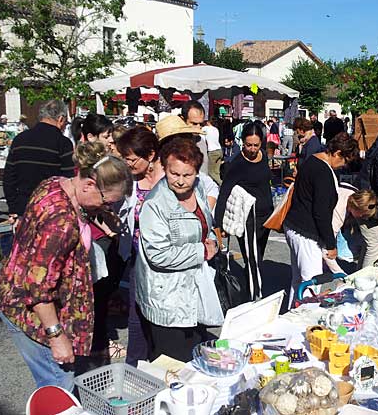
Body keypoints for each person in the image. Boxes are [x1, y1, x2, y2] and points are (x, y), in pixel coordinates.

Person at [0, 143, 132, 390]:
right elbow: (38, 288)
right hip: (30, 313)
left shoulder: (56, 183)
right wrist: (56, 337)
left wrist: (98, 214)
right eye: (105, 201)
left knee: (58, 382)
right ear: (89, 184)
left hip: (15, 291)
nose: (105, 207)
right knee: (59, 384)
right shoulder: (61, 224)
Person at [136, 137, 221, 362]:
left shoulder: (199, 187)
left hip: (196, 289)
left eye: (187, 175)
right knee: (171, 364)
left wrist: (212, 240)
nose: (181, 181)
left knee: (195, 359)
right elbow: (158, 254)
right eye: (174, 174)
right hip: (168, 298)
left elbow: (206, 224)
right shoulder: (155, 205)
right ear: (164, 168)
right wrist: (201, 251)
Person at [284, 132, 359, 306]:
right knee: (311, 283)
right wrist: (331, 245)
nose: (343, 166)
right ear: (338, 153)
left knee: (298, 281)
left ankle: (292, 313)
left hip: (295, 226)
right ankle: (306, 321)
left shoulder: (312, 160)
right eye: (344, 161)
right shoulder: (323, 172)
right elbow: (321, 213)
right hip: (305, 232)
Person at [115, 126, 164, 366]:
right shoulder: (128, 180)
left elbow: (207, 188)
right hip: (137, 255)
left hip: (166, 258)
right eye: (124, 158)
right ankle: (135, 364)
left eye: (132, 159)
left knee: (163, 312)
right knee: (137, 314)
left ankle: (162, 360)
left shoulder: (171, 174)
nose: (128, 163)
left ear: (151, 155)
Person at [215, 122, 273, 301]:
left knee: (258, 258)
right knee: (252, 260)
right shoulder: (237, 164)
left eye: (256, 145)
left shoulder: (263, 156)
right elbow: (224, 193)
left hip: (266, 217)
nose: (253, 149)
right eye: (249, 145)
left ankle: (253, 291)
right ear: (242, 142)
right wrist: (218, 224)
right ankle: (256, 299)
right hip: (249, 217)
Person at [4, 100, 75, 218]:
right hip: (50, 209)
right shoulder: (63, 143)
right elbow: (67, 179)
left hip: (22, 207)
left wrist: (13, 207)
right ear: (61, 119)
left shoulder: (20, 139)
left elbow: (9, 176)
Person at [202, 119, 223, 184]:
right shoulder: (216, 129)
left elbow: (201, 136)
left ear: (208, 122)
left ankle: (222, 184)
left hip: (212, 152)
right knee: (217, 172)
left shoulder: (205, 128)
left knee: (211, 172)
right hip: (219, 150)